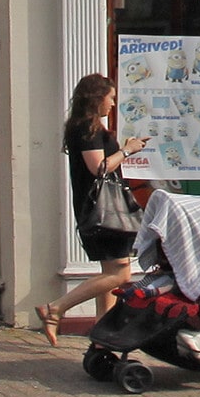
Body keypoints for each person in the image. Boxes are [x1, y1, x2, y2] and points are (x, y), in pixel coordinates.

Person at [35, 73, 145, 345]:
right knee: (121, 273)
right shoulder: (87, 129)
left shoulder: (86, 127)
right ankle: (56, 308)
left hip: (98, 210)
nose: (112, 104)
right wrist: (128, 150)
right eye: (110, 98)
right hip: (103, 211)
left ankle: (101, 333)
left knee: (110, 274)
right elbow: (99, 167)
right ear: (97, 99)